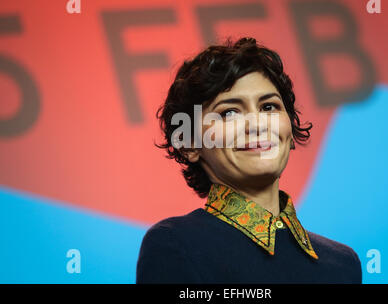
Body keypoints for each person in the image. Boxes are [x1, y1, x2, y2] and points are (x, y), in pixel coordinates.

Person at [136, 37, 362, 283]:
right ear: (191, 144)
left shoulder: (343, 263)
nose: (257, 124)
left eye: (268, 107)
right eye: (229, 112)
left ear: (290, 129)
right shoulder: (175, 244)